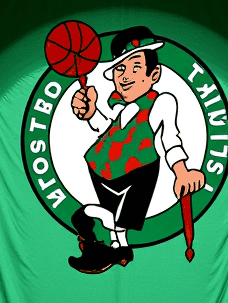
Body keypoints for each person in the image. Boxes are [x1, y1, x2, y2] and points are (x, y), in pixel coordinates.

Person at [68, 25, 205, 273]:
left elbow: (169, 139)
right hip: (102, 168)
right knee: (114, 223)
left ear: (154, 74)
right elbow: (107, 129)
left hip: (137, 171)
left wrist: (182, 171)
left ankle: (108, 243)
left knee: (119, 220)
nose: (125, 75)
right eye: (120, 68)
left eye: (135, 67)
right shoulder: (117, 103)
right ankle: (113, 248)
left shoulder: (162, 102)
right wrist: (90, 114)